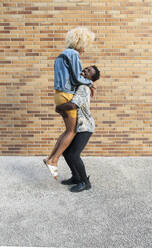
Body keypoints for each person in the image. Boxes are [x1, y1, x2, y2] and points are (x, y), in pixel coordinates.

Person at [43, 27, 95, 179]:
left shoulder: (61, 55)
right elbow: (77, 78)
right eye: (85, 44)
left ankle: (50, 158)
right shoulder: (73, 54)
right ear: (80, 42)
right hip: (67, 96)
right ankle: (53, 160)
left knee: (67, 130)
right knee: (71, 131)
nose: (85, 48)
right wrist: (90, 84)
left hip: (59, 95)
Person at [56, 66, 100, 192]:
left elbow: (73, 105)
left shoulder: (83, 88)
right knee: (67, 152)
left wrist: (58, 107)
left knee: (74, 155)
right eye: (86, 68)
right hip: (79, 126)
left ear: (91, 77)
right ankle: (76, 177)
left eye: (89, 71)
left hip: (85, 126)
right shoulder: (80, 85)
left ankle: (85, 182)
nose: (85, 70)